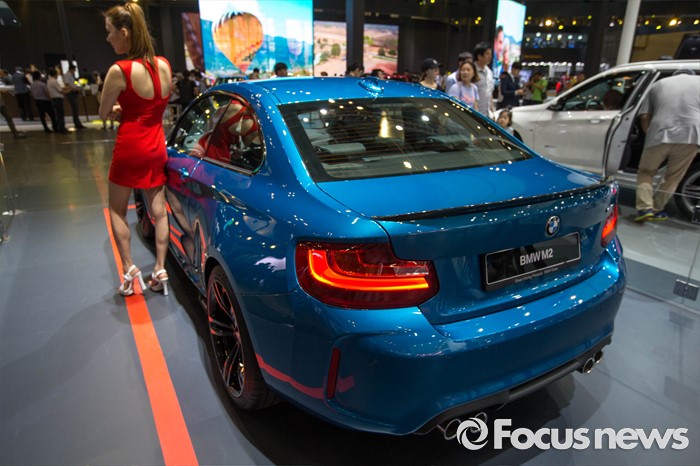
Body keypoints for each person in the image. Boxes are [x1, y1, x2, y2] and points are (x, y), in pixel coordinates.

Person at [100, 2, 172, 295]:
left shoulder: (119, 70)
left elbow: (103, 112)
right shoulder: (163, 65)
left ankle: (130, 270)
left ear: (125, 32)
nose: (108, 38)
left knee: (117, 210)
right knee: (159, 211)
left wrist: (120, 110)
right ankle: (161, 269)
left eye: (110, 32)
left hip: (130, 146)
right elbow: (154, 106)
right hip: (156, 145)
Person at [634, 69, 700, 222]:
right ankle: (657, 209)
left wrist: (649, 135)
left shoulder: (659, 84)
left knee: (646, 171)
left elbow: (644, 116)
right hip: (691, 134)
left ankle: (645, 208)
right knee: (673, 177)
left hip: (660, 132)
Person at [473, 42, 495, 118]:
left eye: (491, 54)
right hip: (473, 114)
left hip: (487, 115)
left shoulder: (489, 72)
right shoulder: (471, 71)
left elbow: (490, 93)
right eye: (487, 54)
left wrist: (492, 111)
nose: (490, 56)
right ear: (479, 56)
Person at [62, 64, 87, 129]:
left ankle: (77, 123)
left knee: (76, 108)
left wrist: (78, 86)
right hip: (71, 92)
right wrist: (74, 89)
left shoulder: (71, 76)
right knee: (75, 108)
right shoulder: (67, 75)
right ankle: (77, 123)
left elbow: (74, 83)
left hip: (74, 92)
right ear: (72, 69)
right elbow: (67, 84)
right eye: (74, 69)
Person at [46, 67, 69, 134]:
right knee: (60, 114)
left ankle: (58, 127)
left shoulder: (48, 81)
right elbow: (60, 90)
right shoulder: (54, 81)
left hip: (53, 99)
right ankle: (62, 129)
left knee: (57, 114)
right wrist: (67, 91)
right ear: (55, 74)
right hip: (58, 99)